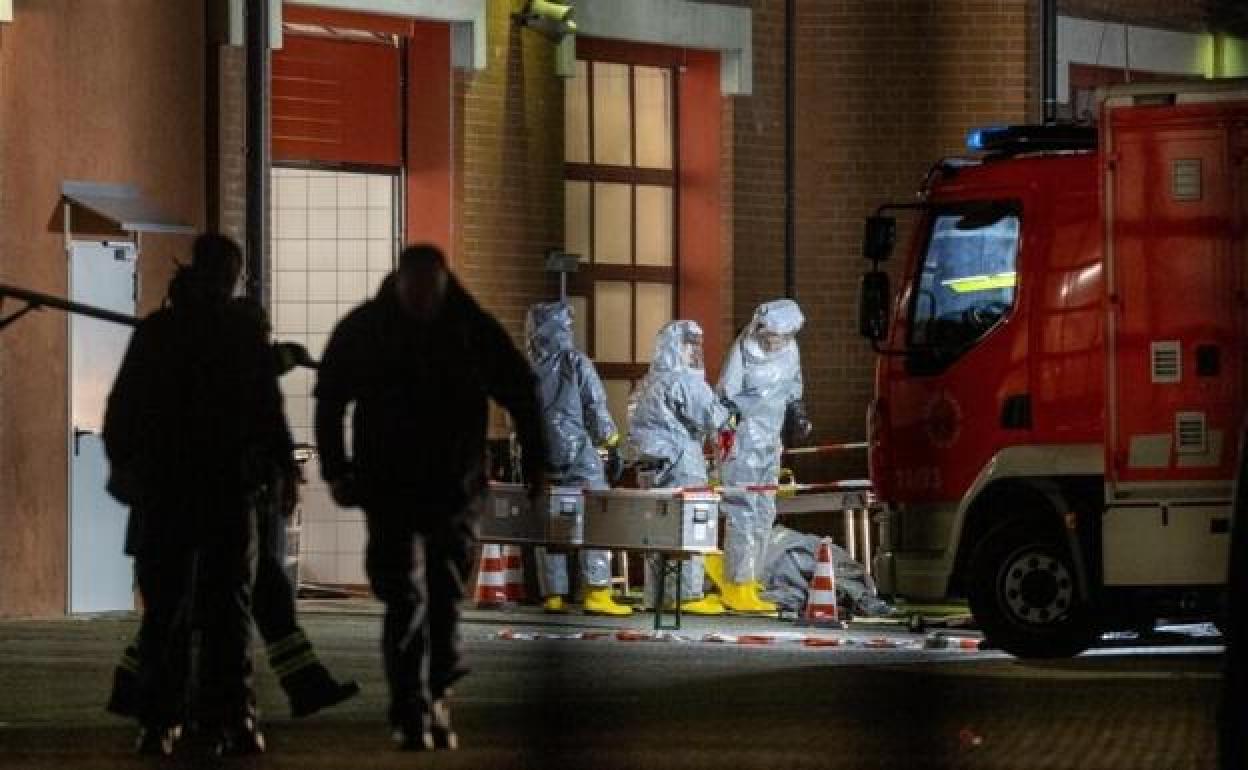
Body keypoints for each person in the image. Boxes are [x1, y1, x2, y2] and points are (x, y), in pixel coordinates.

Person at [315, 244, 546, 752]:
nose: (422, 302)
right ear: (400, 283)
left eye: (429, 293)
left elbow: (521, 392)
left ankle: (433, 691)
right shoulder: (383, 328)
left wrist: (536, 459)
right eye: (415, 292)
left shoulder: (458, 328)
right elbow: (330, 400)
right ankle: (413, 705)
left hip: (448, 486)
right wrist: (337, 470)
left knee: (441, 596)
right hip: (398, 485)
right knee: (405, 596)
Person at [106, 314, 359, 725]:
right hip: (216, 514)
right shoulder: (217, 372)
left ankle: (303, 685)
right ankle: (163, 695)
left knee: (191, 609)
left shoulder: (191, 361)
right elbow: (240, 388)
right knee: (190, 609)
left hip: (223, 513)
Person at [102, 234, 285, 756]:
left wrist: (124, 463)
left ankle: (160, 720)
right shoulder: (241, 335)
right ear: (233, 277)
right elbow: (266, 409)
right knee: (228, 609)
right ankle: (231, 715)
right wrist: (278, 469)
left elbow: (123, 406)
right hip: (225, 489)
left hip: (165, 489)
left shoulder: (159, 332)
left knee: (165, 610)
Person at [525, 301, 631, 617]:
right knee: (593, 517)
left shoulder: (527, 367)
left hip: (542, 456)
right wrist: (611, 442)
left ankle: (554, 595)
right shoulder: (575, 362)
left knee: (553, 524)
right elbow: (595, 407)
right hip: (578, 454)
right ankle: (597, 591)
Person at [711, 299, 812, 614]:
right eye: (770, 336)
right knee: (743, 509)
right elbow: (726, 395)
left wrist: (798, 412)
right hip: (743, 439)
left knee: (765, 509)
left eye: (780, 337)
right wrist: (727, 434)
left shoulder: (790, 351)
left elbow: (792, 387)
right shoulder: (744, 350)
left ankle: (752, 577)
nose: (775, 342)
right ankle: (736, 583)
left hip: (770, 439)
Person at [626, 320, 731, 615]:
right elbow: (711, 417)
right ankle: (686, 595)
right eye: (690, 345)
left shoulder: (647, 383)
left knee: (655, 532)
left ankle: (656, 595)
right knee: (690, 529)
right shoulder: (684, 381)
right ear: (678, 346)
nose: (694, 351)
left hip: (651, 467)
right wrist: (730, 412)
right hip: (682, 463)